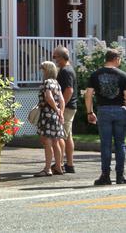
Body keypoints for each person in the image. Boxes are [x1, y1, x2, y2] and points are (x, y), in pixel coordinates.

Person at [85, 48, 126, 186]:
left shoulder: (95, 74)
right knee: (120, 144)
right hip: (120, 110)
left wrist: (89, 112)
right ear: (116, 59)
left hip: (103, 110)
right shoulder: (123, 75)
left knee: (105, 144)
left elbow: (88, 94)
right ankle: (120, 176)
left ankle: (105, 175)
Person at [35, 61, 65, 177]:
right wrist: (60, 112)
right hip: (56, 116)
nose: (41, 72)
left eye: (43, 70)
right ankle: (58, 166)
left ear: (46, 71)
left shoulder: (47, 82)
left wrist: (55, 109)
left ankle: (47, 168)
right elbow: (61, 100)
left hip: (47, 115)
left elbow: (48, 97)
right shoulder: (56, 83)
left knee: (47, 142)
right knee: (56, 141)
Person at [53, 45, 77, 174]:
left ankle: (60, 163)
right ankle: (70, 164)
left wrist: (61, 108)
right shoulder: (67, 69)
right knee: (68, 136)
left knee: (61, 135)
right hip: (70, 107)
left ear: (62, 57)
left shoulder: (66, 71)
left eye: (55, 57)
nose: (54, 60)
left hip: (67, 107)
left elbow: (69, 90)